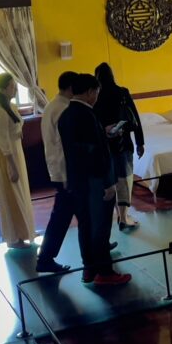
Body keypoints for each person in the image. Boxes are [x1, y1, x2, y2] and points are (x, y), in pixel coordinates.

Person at [59, 74, 131, 285]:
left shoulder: (67, 114)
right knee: (100, 226)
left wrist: (103, 133)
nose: (97, 96)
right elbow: (95, 152)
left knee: (85, 225)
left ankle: (88, 269)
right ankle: (105, 272)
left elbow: (79, 148)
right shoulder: (87, 115)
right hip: (95, 180)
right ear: (90, 91)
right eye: (96, 92)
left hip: (77, 179)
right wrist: (108, 183)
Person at [93, 62, 144, 231]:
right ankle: (123, 216)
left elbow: (93, 122)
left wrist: (104, 130)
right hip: (123, 143)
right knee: (125, 179)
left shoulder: (95, 96)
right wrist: (140, 142)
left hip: (104, 145)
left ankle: (119, 215)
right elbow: (134, 117)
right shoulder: (122, 92)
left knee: (111, 181)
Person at [0, 73, 36, 248]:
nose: (15, 89)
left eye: (15, 86)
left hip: (15, 152)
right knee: (12, 195)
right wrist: (11, 165)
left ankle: (23, 232)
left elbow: (5, 134)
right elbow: (2, 138)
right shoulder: (0, 111)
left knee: (20, 192)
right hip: (7, 157)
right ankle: (14, 237)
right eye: (11, 86)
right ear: (2, 90)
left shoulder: (11, 107)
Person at [36, 71, 77, 273]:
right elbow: (64, 145)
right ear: (71, 87)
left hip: (58, 168)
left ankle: (99, 245)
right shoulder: (63, 108)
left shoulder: (52, 105)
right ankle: (45, 258)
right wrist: (67, 174)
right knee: (61, 216)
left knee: (81, 213)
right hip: (64, 171)